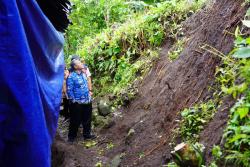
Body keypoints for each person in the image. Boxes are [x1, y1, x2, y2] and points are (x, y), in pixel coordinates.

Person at [67, 59, 95, 142]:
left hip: (87, 100)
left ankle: (87, 135)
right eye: (79, 63)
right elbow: (69, 90)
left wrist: (89, 93)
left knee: (87, 118)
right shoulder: (71, 76)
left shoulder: (83, 74)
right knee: (75, 120)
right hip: (77, 102)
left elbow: (86, 84)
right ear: (75, 67)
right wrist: (74, 101)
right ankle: (71, 137)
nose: (81, 63)